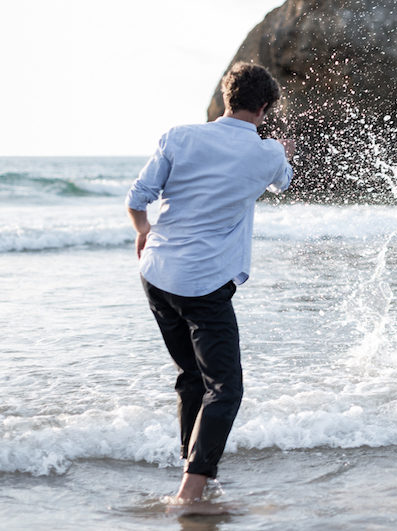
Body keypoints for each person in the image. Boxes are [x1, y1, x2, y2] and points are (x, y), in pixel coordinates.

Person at [125, 62, 294, 503]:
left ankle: (196, 467)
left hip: (158, 275)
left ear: (225, 97)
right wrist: (282, 151)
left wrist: (144, 232)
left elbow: (137, 198)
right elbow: (281, 184)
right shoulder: (268, 152)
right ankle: (190, 491)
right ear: (264, 107)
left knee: (191, 377)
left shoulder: (179, 136)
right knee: (226, 388)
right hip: (204, 283)